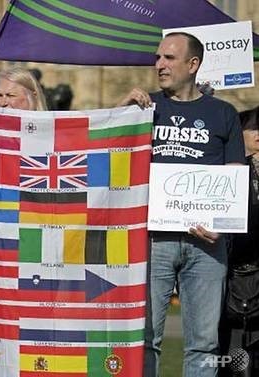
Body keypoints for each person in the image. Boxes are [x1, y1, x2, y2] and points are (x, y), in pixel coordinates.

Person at [118, 32, 245, 377]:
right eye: (158, 57)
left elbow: (234, 177)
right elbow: (104, 151)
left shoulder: (224, 113)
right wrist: (121, 109)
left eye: (169, 58)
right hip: (151, 242)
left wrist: (222, 224)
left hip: (205, 243)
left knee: (204, 343)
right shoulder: (143, 109)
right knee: (143, 338)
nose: (159, 64)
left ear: (193, 65)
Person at [219, 105, 259, 377]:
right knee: (228, 351)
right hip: (229, 268)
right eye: (253, 128)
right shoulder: (229, 170)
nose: (258, 135)